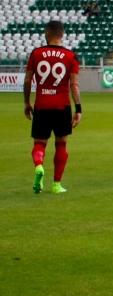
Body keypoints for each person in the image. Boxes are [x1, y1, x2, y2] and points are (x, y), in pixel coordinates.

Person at [24, 21, 82, 194]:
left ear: (47, 34)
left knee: (39, 144)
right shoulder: (71, 56)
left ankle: (39, 165)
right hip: (62, 106)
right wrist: (78, 109)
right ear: (62, 35)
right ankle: (56, 184)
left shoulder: (36, 53)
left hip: (41, 105)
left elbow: (28, 80)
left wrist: (27, 102)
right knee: (61, 145)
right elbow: (74, 85)